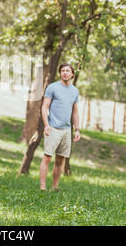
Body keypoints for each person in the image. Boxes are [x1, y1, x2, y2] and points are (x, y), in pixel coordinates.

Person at [40, 63, 80, 191]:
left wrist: (77, 129)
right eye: (63, 70)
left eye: (68, 71)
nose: (65, 73)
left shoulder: (75, 91)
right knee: (47, 157)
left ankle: (55, 186)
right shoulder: (52, 88)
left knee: (60, 160)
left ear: (72, 74)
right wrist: (46, 125)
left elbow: (75, 111)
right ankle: (42, 187)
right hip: (53, 128)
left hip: (67, 130)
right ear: (60, 73)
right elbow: (44, 106)